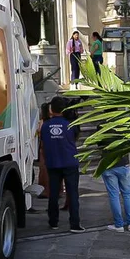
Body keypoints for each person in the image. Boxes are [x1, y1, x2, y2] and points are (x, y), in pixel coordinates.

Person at [41, 97, 84, 233]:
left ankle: (53, 221)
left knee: (53, 194)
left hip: (53, 163)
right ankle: (75, 223)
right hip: (70, 162)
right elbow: (76, 137)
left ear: (51, 109)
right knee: (73, 193)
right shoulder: (71, 124)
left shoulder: (45, 125)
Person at [100, 143, 130, 232]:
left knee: (114, 195)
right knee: (127, 194)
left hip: (108, 164)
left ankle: (119, 224)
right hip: (123, 163)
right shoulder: (124, 128)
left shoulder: (101, 128)